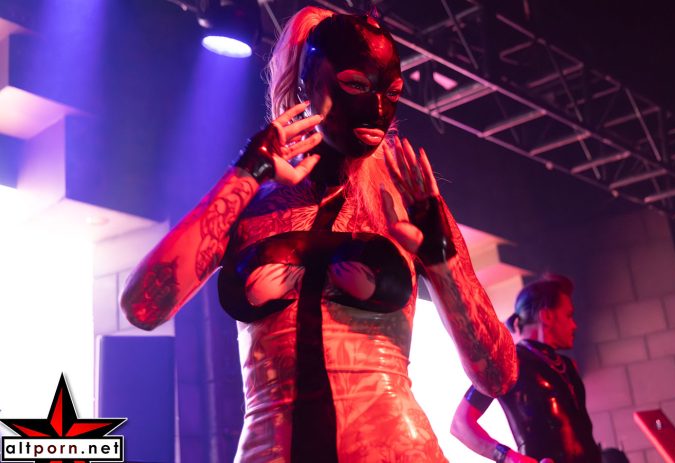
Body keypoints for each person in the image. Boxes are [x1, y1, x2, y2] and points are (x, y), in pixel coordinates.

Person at [120, 7, 517, 462]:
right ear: (306, 85)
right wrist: (246, 174)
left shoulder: (404, 200)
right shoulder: (252, 202)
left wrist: (444, 262)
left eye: (392, 93)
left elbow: (499, 375)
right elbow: (144, 306)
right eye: (355, 85)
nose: (379, 110)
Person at [451, 275, 601, 463]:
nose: (574, 325)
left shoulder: (566, 365)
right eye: (569, 315)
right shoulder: (508, 361)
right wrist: (509, 458)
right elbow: (460, 424)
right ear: (547, 316)